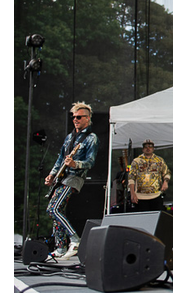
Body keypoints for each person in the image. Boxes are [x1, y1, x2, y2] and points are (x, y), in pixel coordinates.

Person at [44, 102, 99, 260]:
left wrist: (76, 164)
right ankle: (60, 248)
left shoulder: (91, 138)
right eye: (74, 117)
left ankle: (75, 240)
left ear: (87, 119)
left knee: (53, 209)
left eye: (79, 117)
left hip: (74, 177)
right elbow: (60, 159)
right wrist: (52, 175)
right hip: (62, 177)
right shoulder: (69, 137)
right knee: (56, 211)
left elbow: (91, 161)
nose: (75, 120)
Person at [128, 139, 171, 212]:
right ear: (143, 149)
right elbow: (131, 178)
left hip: (156, 195)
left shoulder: (159, 160)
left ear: (153, 149)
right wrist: (132, 193)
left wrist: (165, 182)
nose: (148, 149)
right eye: (146, 147)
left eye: (150, 147)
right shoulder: (137, 161)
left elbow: (166, 172)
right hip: (140, 196)